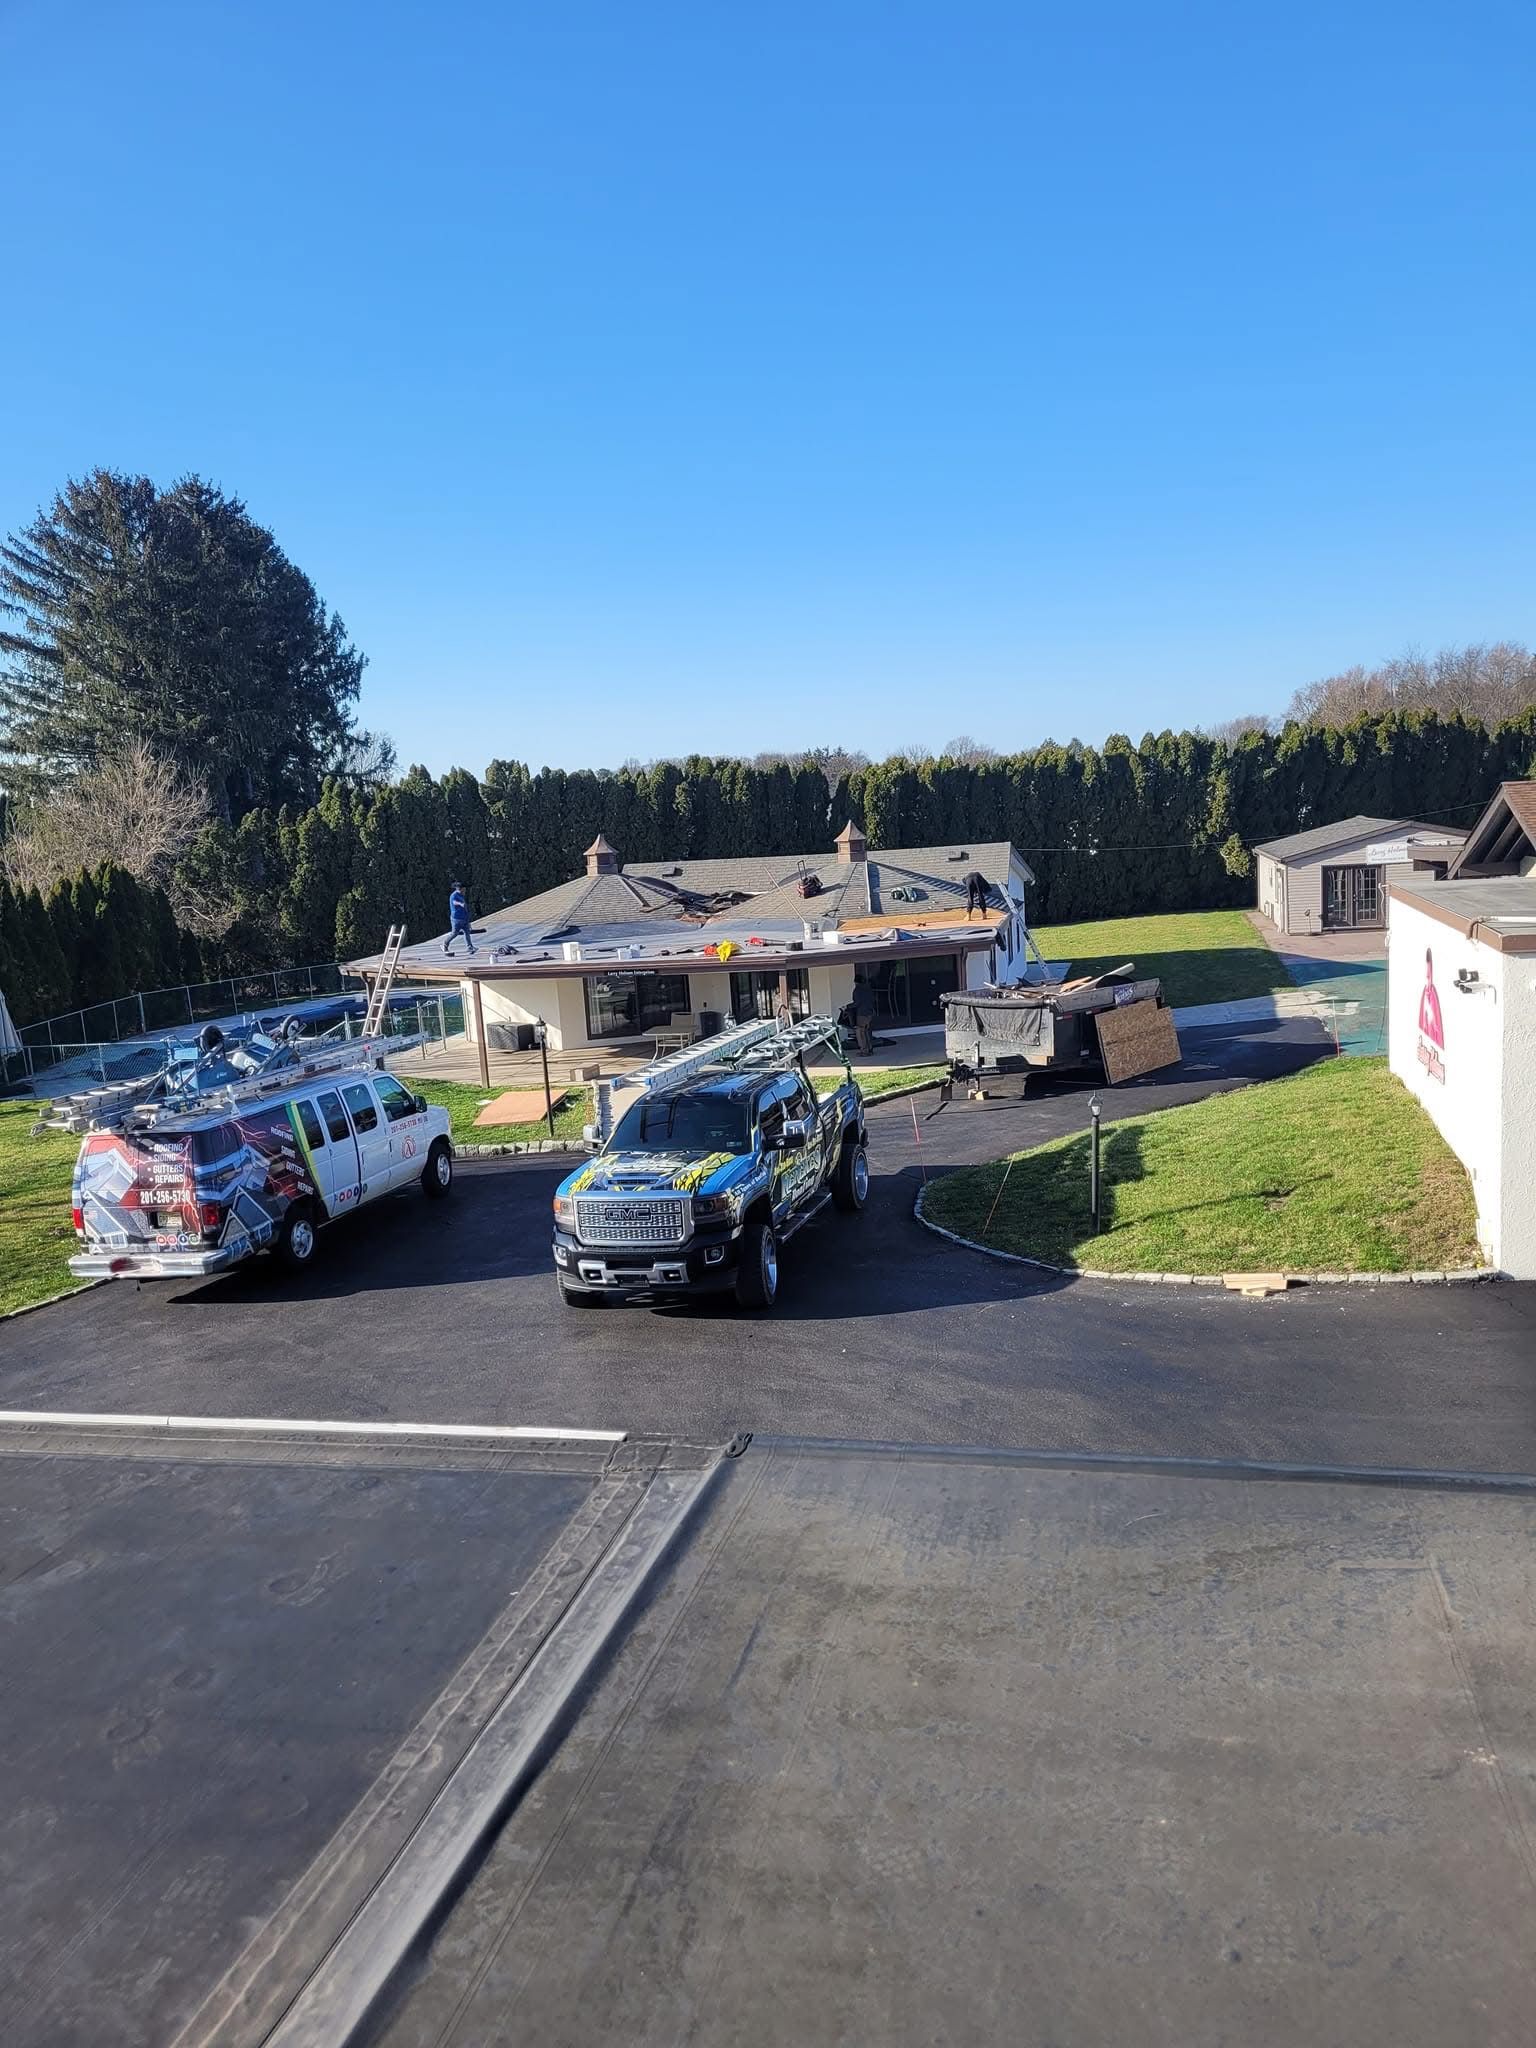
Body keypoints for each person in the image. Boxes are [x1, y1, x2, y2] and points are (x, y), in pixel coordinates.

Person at [444, 883, 476, 956]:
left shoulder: (461, 895)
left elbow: (465, 907)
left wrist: (468, 919)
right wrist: (460, 904)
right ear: (459, 889)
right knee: (454, 933)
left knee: (467, 932)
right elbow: (454, 902)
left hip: (464, 917)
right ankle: (445, 944)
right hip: (456, 918)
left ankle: (470, 947)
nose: (465, 891)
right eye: (464, 890)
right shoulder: (453, 895)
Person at [848, 977, 876, 1057]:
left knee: (861, 1033)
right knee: (868, 1032)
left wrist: (847, 1006)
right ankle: (870, 1049)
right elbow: (873, 1000)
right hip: (870, 1013)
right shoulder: (869, 989)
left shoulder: (857, 990)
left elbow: (857, 1003)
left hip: (862, 1014)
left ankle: (864, 1051)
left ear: (855, 982)